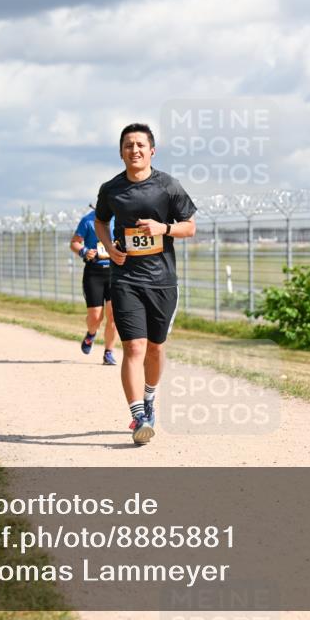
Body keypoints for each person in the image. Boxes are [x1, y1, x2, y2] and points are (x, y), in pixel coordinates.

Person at [94, 123, 197, 445]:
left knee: (155, 348)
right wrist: (109, 248)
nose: (134, 150)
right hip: (125, 278)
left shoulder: (168, 186)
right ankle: (139, 416)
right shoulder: (111, 189)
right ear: (121, 152)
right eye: (128, 145)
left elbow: (190, 227)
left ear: (152, 150)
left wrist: (163, 228)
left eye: (140, 145)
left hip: (162, 281)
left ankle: (149, 398)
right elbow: (100, 221)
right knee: (134, 346)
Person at [70, 206, 118, 365]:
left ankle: (108, 352)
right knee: (96, 317)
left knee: (114, 315)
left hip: (115, 272)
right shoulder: (88, 220)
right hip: (94, 273)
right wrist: (84, 251)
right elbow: (75, 243)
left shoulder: (120, 218)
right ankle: (91, 334)